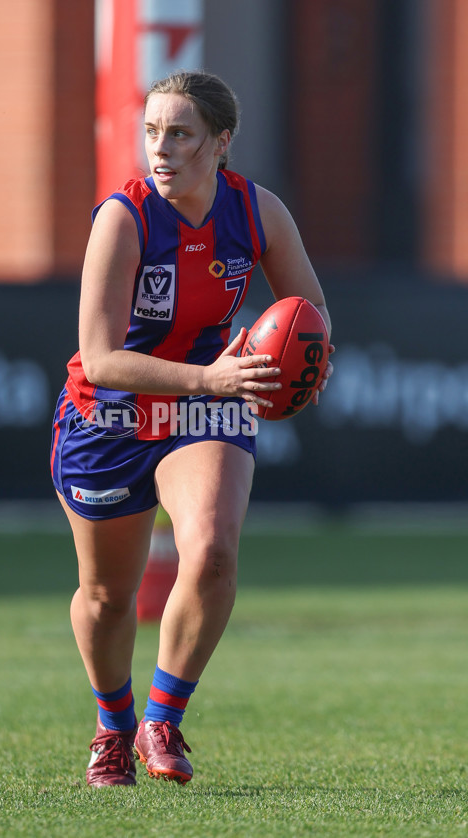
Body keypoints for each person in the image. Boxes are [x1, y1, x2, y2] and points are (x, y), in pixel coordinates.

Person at [50, 70, 333, 787]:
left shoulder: (257, 210)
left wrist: (307, 359)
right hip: (108, 414)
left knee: (209, 555)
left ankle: (162, 720)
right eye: (151, 133)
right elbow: (104, 357)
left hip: (208, 402)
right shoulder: (125, 217)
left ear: (221, 141)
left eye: (179, 133)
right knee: (108, 597)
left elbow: (310, 310)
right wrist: (212, 379)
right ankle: (111, 727)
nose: (160, 149)